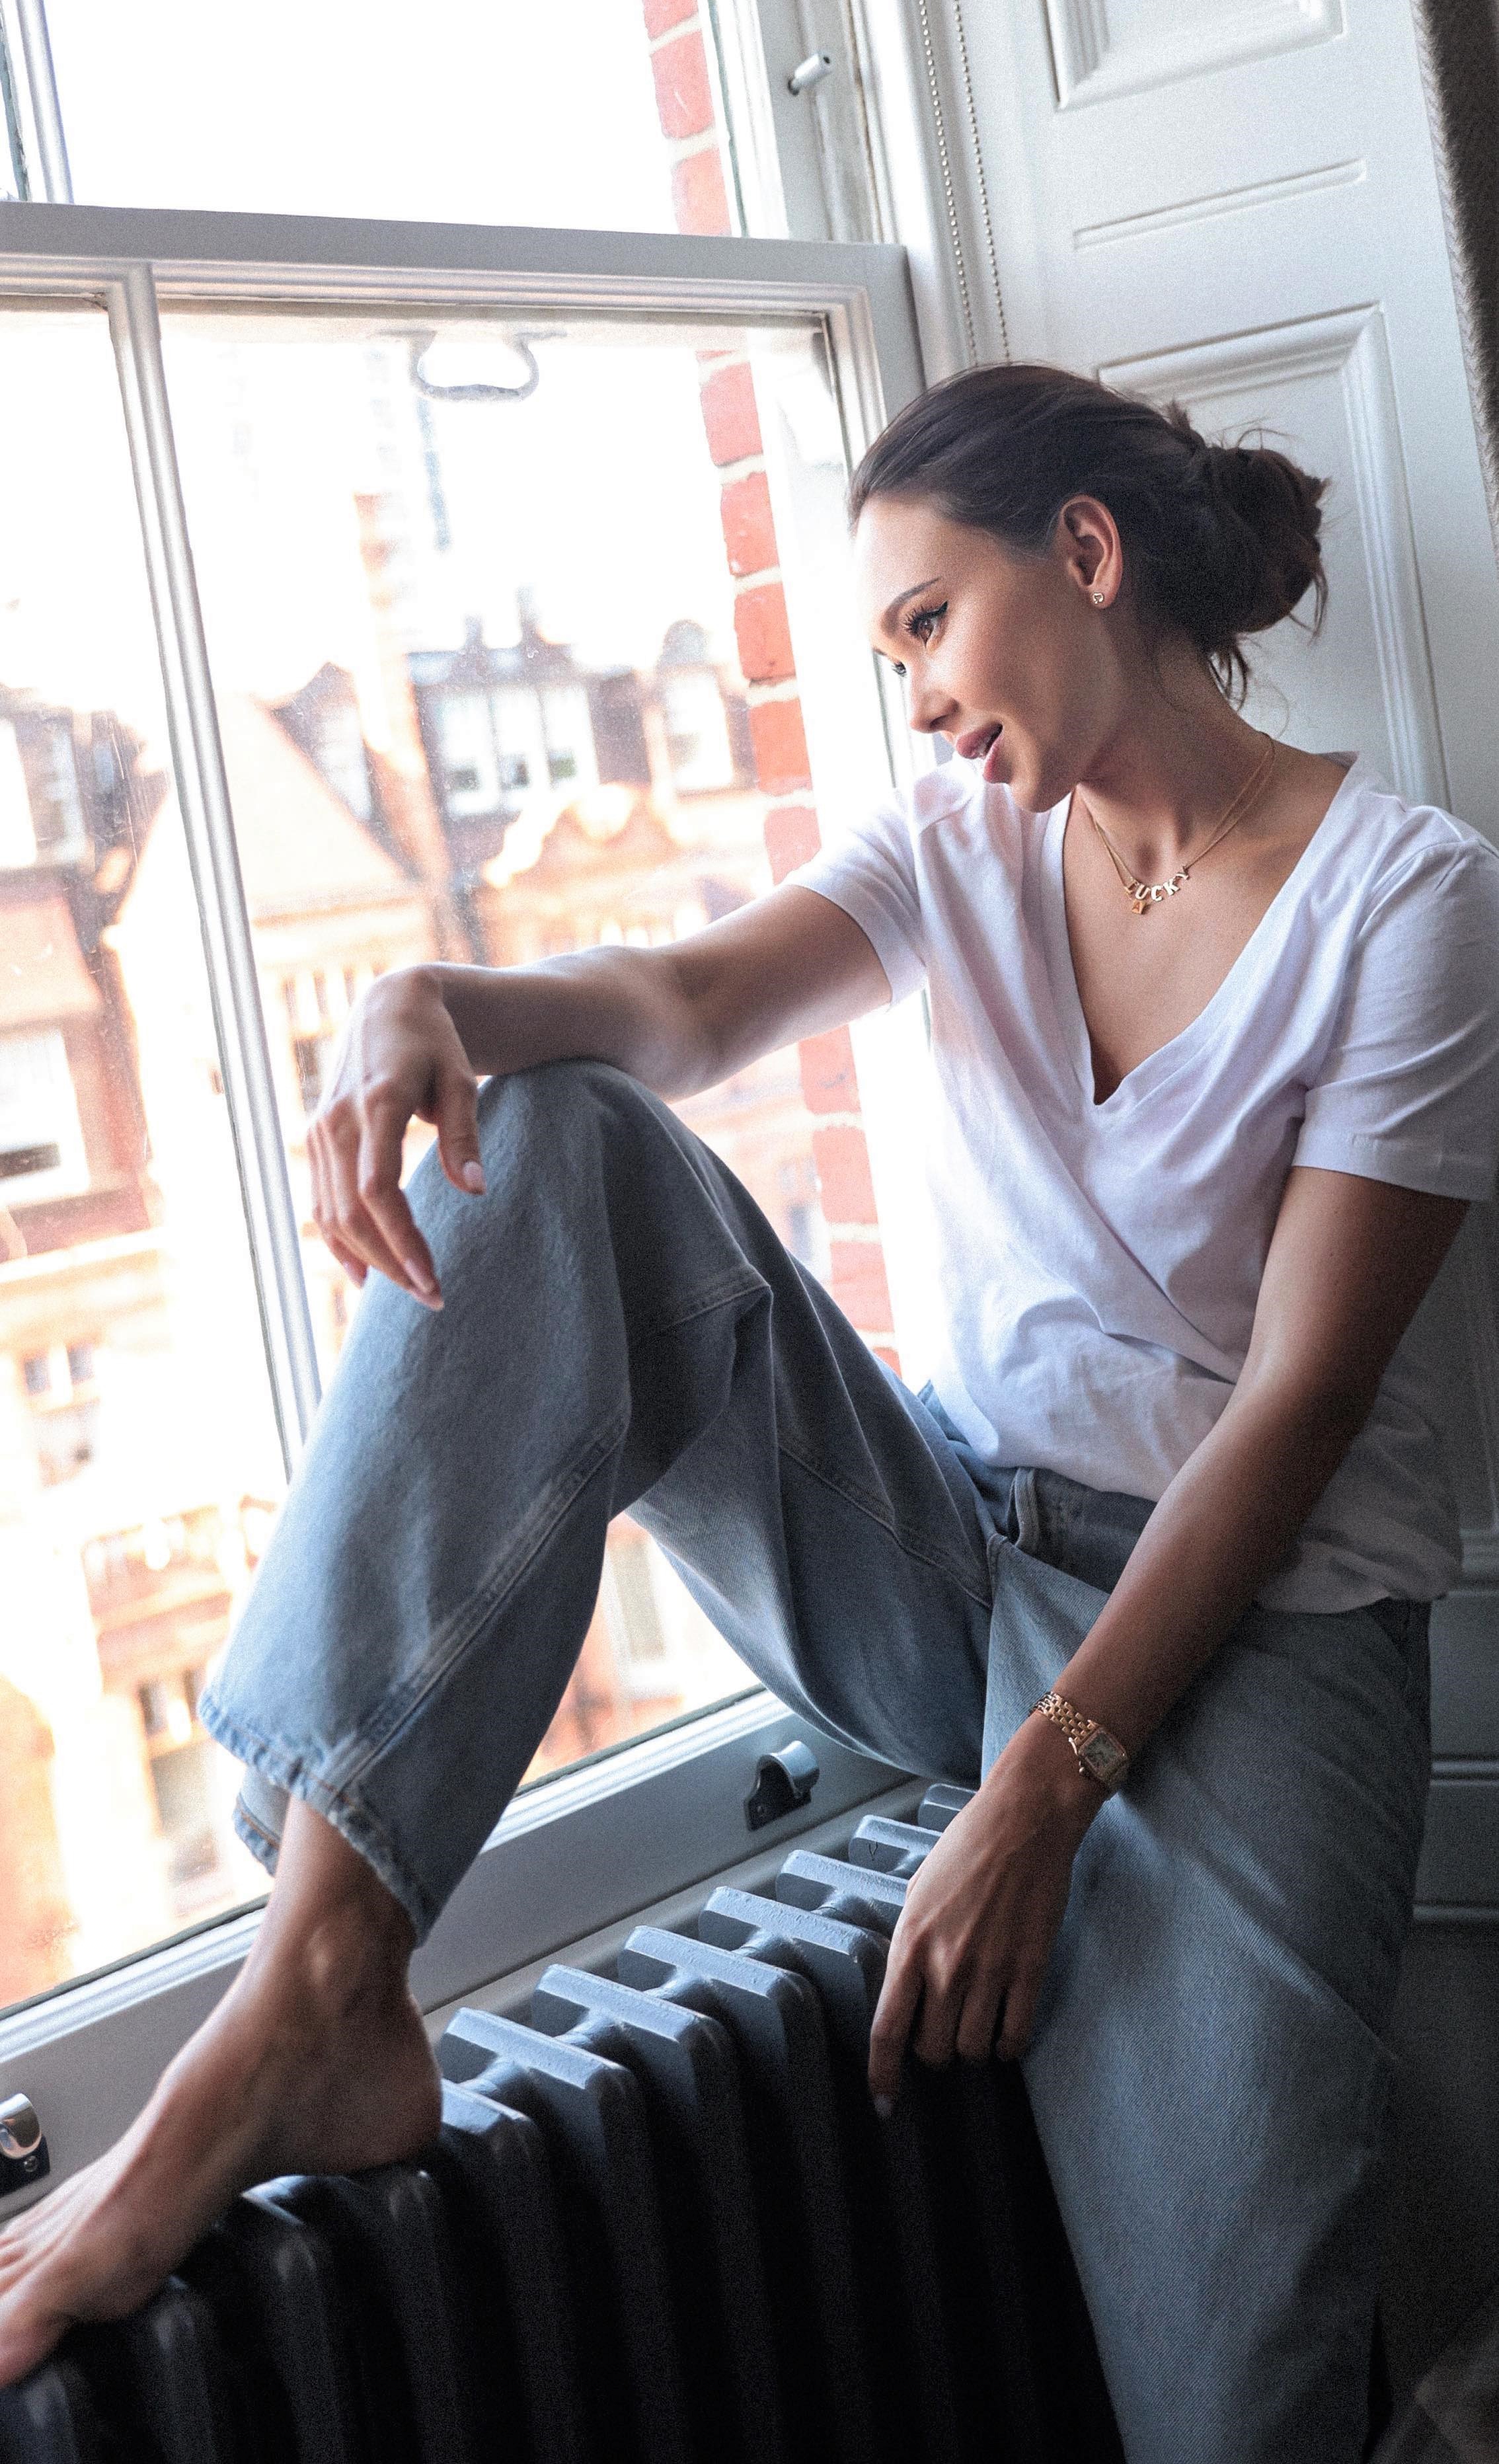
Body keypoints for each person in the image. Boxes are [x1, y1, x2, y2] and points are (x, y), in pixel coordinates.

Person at [3, 364, 1497, 2461]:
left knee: (1233, 2414)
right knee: (557, 1133)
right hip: (941, 1553)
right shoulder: (960, 842)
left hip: (1252, 1645)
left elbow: (1300, 1407)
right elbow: (681, 1007)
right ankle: (316, 1984)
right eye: (888, 653)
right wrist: (429, 1000)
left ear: (1084, 553)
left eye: (926, 623)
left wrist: (1032, 1803)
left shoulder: (1406, 900)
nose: (916, 698)